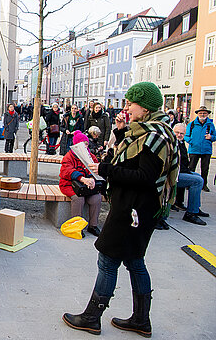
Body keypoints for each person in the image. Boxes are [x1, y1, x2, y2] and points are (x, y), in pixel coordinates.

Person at [63, 82, 178, 338]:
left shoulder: (153, 136)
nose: (126, 107)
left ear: (145, 107)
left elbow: (144, 176)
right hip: (139, 209)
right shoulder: (146, 131)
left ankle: (92, 317)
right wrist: (120, 134)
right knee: (135, 261)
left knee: (107, 259)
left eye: (130, 103)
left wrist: (106, 171)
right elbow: (134, 163)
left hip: (133, 210)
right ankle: (140, 320)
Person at [59, 131, 102, 236]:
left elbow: (96, 169)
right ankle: (77, 227)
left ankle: (93, 226)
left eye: (87, 144)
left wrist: (92, 178)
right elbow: (67, 171)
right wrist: (82, 178)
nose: (86, 146)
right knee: (78, 199)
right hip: (69, 184)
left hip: (86, 185)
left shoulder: (91, 156)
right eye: (84, 144)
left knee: (96, 198)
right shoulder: (68, 157)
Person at [173, 123, 208, 225]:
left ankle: (195, 207)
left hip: (181, 171)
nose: (179, 135)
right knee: (197, 181)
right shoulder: (172, 143)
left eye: (182, 133)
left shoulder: (181, 143)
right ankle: (191, 213)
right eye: (177, 133)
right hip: (173, 174)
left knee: (198, 176)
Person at [184, 105, 216, 192]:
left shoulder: (210, 125)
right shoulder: (192, 124)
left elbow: (215, 136)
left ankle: (204, 184)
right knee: (191, 168)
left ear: (207, 114)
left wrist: (211, 137)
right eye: (200, 113)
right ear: (197, 114)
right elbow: (186, 136)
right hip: (194, 149)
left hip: (206, 150)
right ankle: (188, 183)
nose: (202, 114)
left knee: (205, 169)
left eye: (204, 113)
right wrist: (192, 141)